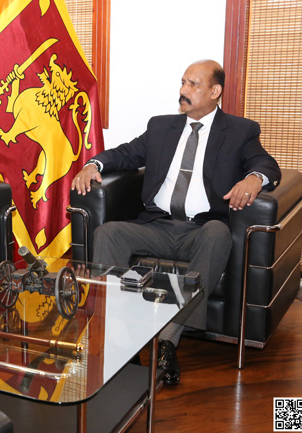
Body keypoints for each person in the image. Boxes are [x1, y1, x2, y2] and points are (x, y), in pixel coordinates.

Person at [71, 59, 281, 385]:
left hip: (201, 229)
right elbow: (125, 153)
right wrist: (93, 163)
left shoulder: (239, 131)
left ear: (215, 91)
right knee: (109, 233)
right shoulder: (161, 127)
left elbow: (266, 164)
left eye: (193, 84)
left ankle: (170, 336)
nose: (183, 91)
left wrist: (255, 179)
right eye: (183, 82)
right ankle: (112, 332)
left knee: (218, 234)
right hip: (158, 226)